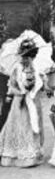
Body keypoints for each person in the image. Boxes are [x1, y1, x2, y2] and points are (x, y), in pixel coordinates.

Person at [0, 39, 44, 167]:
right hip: (19, 102)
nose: (27, 59)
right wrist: (19, 92)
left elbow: (39, 84)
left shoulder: (36, 68)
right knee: (20, 126)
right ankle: (17, 155)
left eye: (30, 56)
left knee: (32, 126)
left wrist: (36, 85)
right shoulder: (17, 69)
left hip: (33, 100)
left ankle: (33, 156)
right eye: (25, 56)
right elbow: (12, 85)